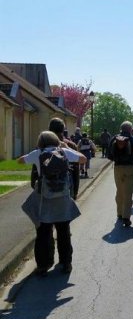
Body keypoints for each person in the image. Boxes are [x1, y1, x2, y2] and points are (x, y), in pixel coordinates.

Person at [19, 131, 86, 276]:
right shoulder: (64, 152)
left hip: (45, 199)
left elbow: (20, 160)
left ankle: (43, 265)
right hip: (62, 199)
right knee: (64, 232)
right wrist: (65, 147)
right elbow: (83, 159)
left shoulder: (38, 153)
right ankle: (66, 263)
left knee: (43, 232)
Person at [107, 121, 133, 227]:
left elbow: (109, 156)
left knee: (119, 191)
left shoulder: (114, 139)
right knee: (128, 193)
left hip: (118, 168)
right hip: (130, 168)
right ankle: (126, 217)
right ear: (130, 129)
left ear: (121, 129)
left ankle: (119, 213)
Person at [49, 118, 80, 199]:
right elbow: (75, 171)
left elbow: (35, 172)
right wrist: (75, 192)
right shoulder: (71, 145)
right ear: (63, 130)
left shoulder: (42, 146)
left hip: (46, 191)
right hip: (66, 190)